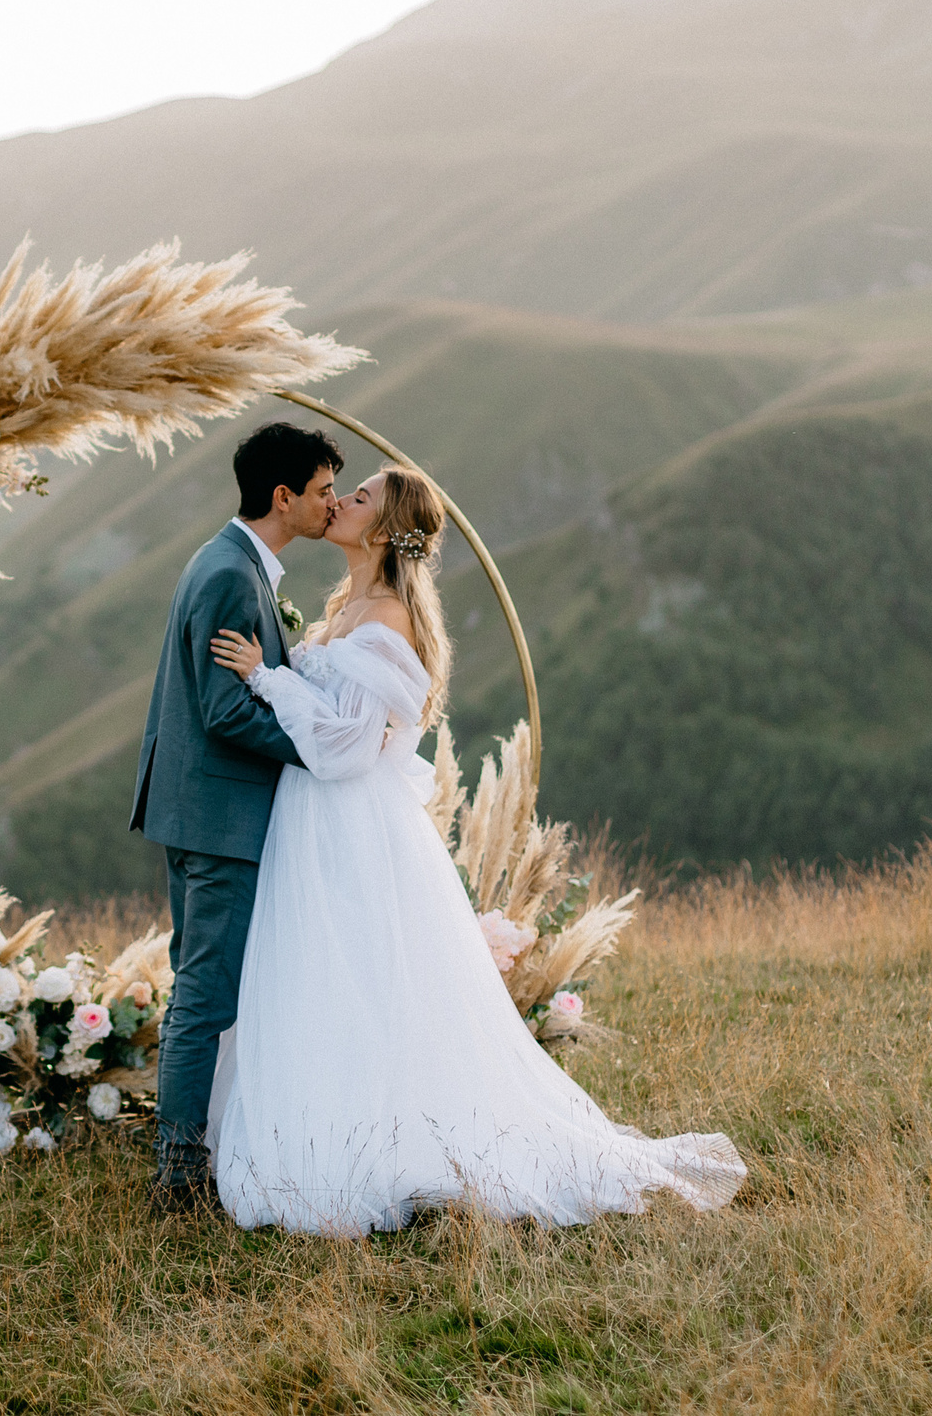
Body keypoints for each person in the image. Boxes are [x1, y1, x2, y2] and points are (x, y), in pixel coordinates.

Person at [201, 464, 746, 1233]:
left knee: (359, 969)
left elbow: (347, 748)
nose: (342, 501)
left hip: (350, 821)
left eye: (359, 498)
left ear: (386, 530)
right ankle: (334, 1112)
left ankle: (374, 1145)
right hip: (314, 820)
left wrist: (266, 679)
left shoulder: (388, 617)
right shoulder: (348, 604)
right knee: (327, 971)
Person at [130, 419, 344, 1214]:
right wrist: (317, 746)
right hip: (219, 820)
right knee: (206, 998)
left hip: (197, 811)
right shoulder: (229, 574)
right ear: (283, 495)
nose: (331, 503)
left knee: (199, 991)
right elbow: (223, 710)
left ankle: (196, 1153)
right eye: (323, 490)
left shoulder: (228, 561)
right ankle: (178, 1179)